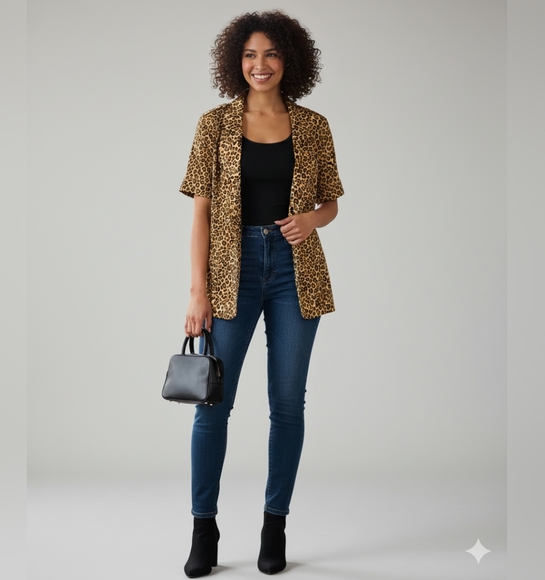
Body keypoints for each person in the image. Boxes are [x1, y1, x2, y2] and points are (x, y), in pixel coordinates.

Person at [179, 10, 344, 577]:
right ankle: (204, 528)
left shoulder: (314, 126)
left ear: (289, 60)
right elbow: (200, 213)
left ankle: (275, 525)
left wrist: (311, 220)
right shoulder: (214, 125)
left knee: (288, 404)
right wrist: (198, 291)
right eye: (250, 54)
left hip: (296, 272)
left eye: (271, 53)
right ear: (236, 62)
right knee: (213, 403)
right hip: (233, 271)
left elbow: (331, 202)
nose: (260, 64)